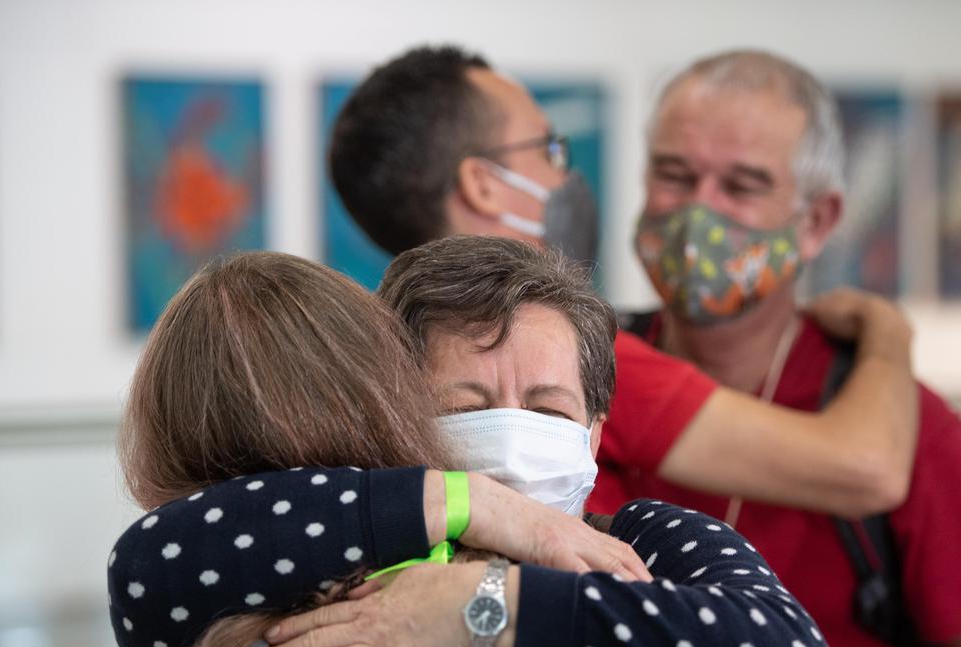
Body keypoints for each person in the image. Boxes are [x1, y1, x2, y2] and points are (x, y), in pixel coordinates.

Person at [113, 236, 841, 647]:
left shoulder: (643, 543)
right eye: (469, 406)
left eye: (549, 410)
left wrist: (483, 603)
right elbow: (150, 570)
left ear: (595, 436)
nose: (515, 433)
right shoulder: (342, 553)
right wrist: (471, 507)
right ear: (397, 417)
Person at [328, 44, 917, 517]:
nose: (566, 173)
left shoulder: (371, 350)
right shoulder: (560, 362)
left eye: (741, 185)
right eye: (548, 149)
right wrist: (887, 330)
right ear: (484, 186)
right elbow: (867, 467)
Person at [597, 50, 961, 647]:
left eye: (743, 185)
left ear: (817, 221)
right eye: (674, 174)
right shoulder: (577, 376)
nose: (698, 210)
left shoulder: (903, 423)